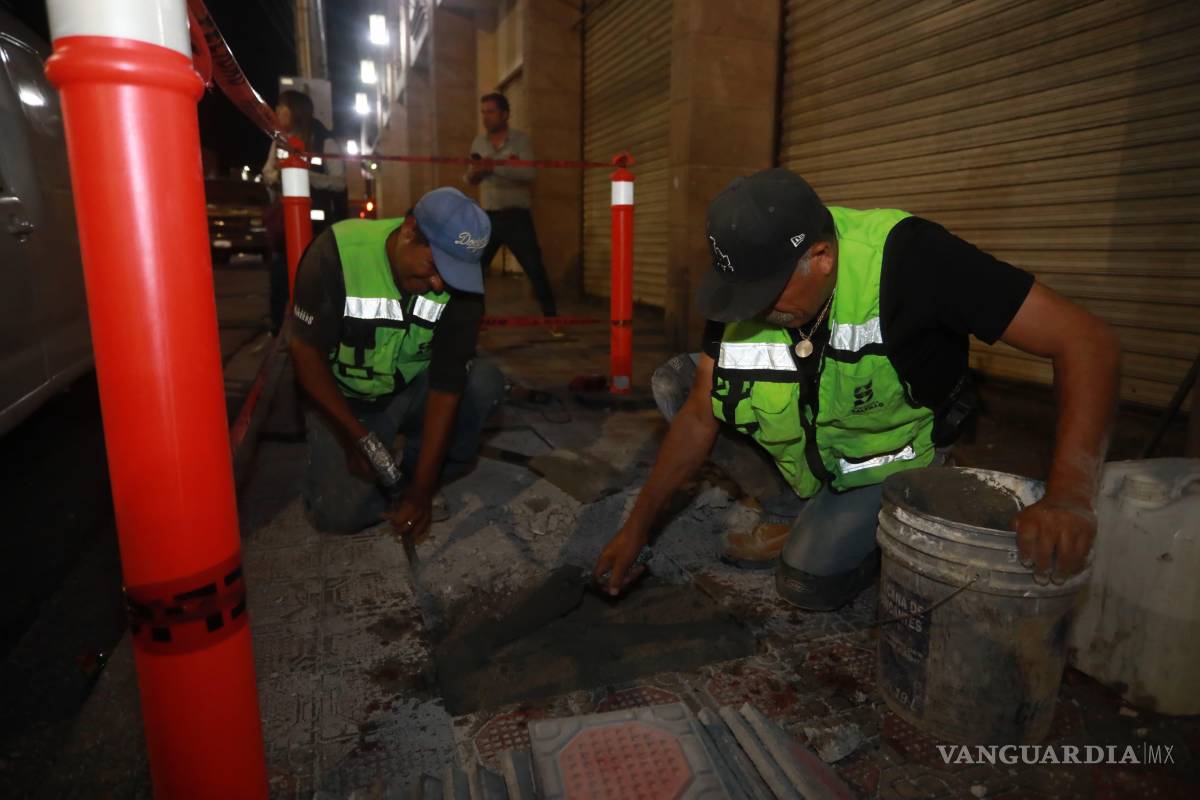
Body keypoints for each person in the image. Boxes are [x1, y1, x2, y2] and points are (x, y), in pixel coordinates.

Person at [593, 169, 1120, 609]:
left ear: (821, 255)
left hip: (884, 456)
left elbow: (1087, 340)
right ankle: (791, 507)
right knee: (681, 383)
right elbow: (698, 416)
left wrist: (1071, 496)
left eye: (765, 297)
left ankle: (910, 501)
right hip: (816, 441)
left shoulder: (911, 258)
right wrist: (639, 527)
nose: (751, 311)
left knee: (806, 584)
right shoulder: (752, 288)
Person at [289, 187, 506, 538]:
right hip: (344, 398)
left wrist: (421, 491)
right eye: (435, 266)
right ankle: (373, 463)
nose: (439, 283)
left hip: (409, 389)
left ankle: (414, 470)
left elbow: (447, 385)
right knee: (337, 516)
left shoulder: (463, 290)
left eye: (452, 273)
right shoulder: (337, 254)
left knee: (484, 383)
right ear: (408, 230)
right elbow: (304, 352)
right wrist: (355, 437)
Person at [465, 92, 558, 318]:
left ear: (505, 114)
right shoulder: (478, 142)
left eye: (491, 112)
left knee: (534, 269)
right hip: (487, 218)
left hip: (516, 217)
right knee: (474, 271)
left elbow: (528, 173)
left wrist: (494, 168)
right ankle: (472, 321)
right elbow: (469, 178)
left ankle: (553, 319)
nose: (486, 117)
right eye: (483, 113)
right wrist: (476, 173)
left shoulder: (521, 141)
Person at [262, 89, 348, 334]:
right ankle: (279, 329)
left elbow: (339, 182)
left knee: (317, 278)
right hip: (285, 226)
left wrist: (302, 176)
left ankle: (321, 328)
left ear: (297, 111)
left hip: (318, 226)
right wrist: (276, 176)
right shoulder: (279, 141)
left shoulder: (325, 141)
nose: (277, 112)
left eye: (282, 107)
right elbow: (267, 172)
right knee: (280, 277)